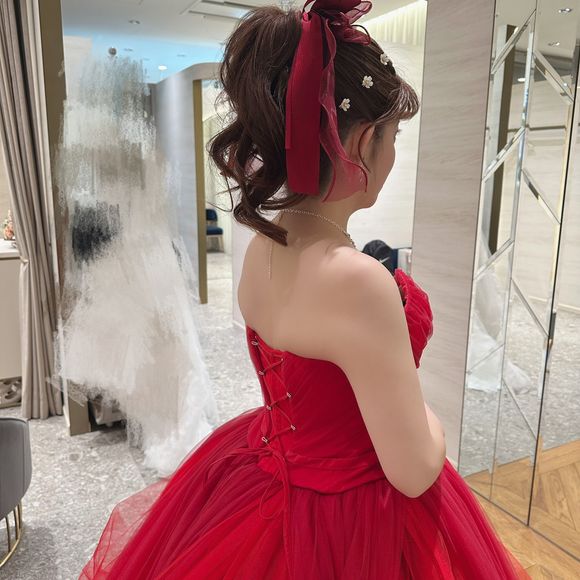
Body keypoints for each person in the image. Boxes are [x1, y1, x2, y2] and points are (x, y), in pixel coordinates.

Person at [80, 1, 531, 578]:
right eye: (393, 136)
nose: (393, 153)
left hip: (259, 476)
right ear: (363, 140)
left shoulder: (263, 244)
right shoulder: (357, 280)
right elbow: (414, 470)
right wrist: (429, 418)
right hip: (351, 518)